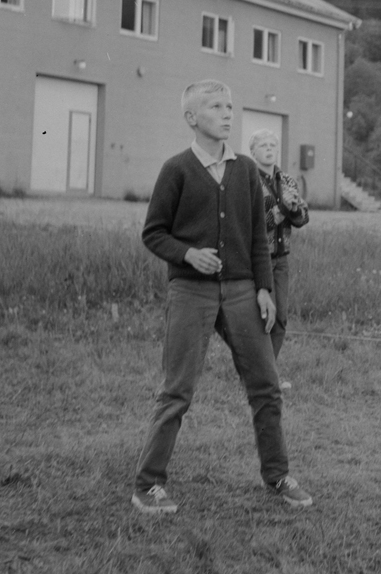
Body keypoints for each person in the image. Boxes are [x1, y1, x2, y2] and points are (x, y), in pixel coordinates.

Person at [131, 79, 312, 515]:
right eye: (215, 106)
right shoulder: (176, 170)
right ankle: (148, 485)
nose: (227, 113)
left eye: (230, 106)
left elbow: (258, 236)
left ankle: (278, 476)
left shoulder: (247, 170)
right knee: (177, 391)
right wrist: (188, 254)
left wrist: (265, 288)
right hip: (190, 291)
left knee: (267, 387)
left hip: (241, 291)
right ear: (192, 117)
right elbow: (153, 233)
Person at [248, 129, 309, 369]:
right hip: (258, 260)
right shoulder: (248, 181)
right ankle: (256, 373)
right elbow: (253, 226)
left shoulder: (287, 180)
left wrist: (294, 210)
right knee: (263, 318)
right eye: (263, 145)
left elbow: (303, 219)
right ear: (253, 152)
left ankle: (267, 373)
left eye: (273, 145)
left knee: (281, 317)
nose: (269, 149)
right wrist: (281, 209)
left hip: (282, 260)